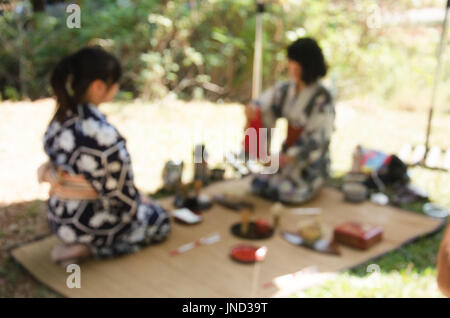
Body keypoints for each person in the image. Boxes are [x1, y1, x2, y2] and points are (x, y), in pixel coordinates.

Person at [38, 47, 171, 266]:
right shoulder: (103, 136)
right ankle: (90, 248)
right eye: (114, 83)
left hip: (58, 216)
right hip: (87, 223)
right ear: (99, 86)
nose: (117, 88)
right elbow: (120, 196)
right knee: (160, 219)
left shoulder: (60, 119)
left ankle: (78, 242)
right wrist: (140, 201)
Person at [245, 37, 334, 205]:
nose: (290, 66)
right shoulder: (286, 89)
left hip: (308, 164)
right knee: (258, 184)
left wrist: (285, 159)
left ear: (306, 65)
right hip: (285, 158)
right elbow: (263, 106)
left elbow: (316, 140)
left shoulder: (322, 98)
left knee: (286, 193)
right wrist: (253, 109)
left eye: (295, 62)